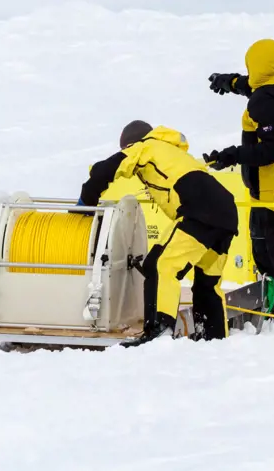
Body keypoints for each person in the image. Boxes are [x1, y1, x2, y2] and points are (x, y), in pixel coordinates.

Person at [78, 121, 239, 346]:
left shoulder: (145, 147)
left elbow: (105, 169)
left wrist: (85, 202)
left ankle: (158, 331)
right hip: (226, 213)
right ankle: (214, 338)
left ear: (131, 144)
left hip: (199, 212)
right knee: (207, 282)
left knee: (160, 265)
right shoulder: (172, 152)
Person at [204, 38, 274, 329]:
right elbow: (256, 88)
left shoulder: (263, 101)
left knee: (270, 249)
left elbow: (272, 149)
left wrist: (231, 155)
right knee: (267, 248)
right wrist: (230, 82)